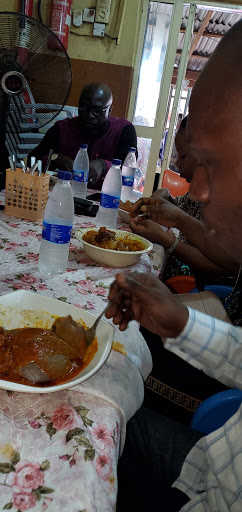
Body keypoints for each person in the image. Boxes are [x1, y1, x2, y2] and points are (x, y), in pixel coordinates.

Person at [105, 19, 242, 512]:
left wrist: (170, 231)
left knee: (106, 387)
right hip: (209, 468)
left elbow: (222, 257)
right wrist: (181, 322)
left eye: (212, 164)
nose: (197, 189)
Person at [28, 82, 137, 189]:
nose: (90, 115)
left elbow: (129, 171)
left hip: (107, 198)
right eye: (84, 108)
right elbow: (31, 160)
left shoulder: (124, 131)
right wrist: (56, 158)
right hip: (66, 194)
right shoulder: (62, 129)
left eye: (97, 110)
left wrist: (104, 165)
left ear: (109, 111)